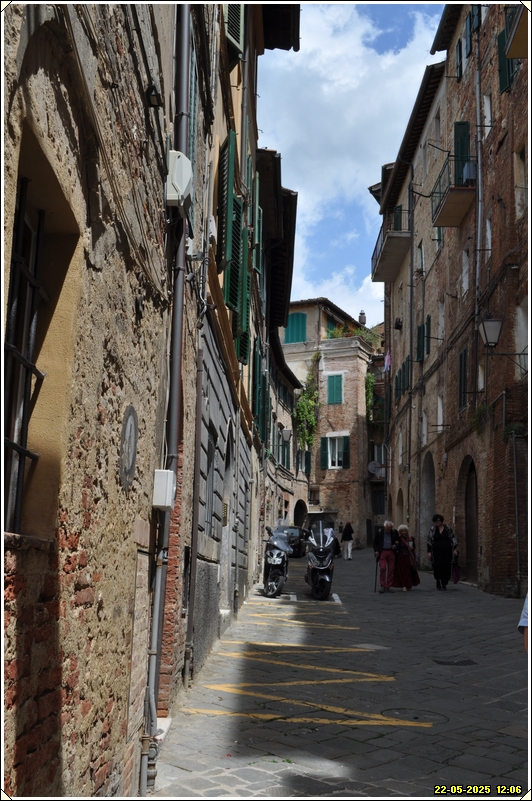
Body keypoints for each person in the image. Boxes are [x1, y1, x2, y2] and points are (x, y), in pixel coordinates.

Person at [427, 514, 458, 590]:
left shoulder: (447, 528)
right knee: (437, 566)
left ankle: (444, 583)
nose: (437, 522)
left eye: (438, 520)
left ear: (441, 520)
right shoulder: (432, 529)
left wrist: (455, 549)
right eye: (435, 521)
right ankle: (438, 580)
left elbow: (453, 538)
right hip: (436, 551)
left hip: (447, 551)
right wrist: (429, 552)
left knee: (446, 566)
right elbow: (429, 540)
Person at [373, 520, 399, 593]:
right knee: (383, 568)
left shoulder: (394, 532)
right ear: (384, 527)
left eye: (389, 529)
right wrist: (376, 550)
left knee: (391, 569)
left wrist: (395, 546)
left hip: (391, 552)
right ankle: (383, 585)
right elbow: (375, 542)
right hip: (383, 552)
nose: (388, 531)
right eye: (387, 529)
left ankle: (389, 585)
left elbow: (398, 542)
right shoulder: (380, 532)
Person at [392, 524, 420, 591]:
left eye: (405, 531)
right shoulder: (398, 539)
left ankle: (409, 584)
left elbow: (414, 547)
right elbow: (397, 547)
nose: (404, 532)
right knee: (402, 572)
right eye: (402, 531)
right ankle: (403, 585)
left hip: (409, 556)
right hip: (401, 556)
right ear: (400, 532)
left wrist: (411, 548)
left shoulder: (411, 538)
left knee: (409, 571)